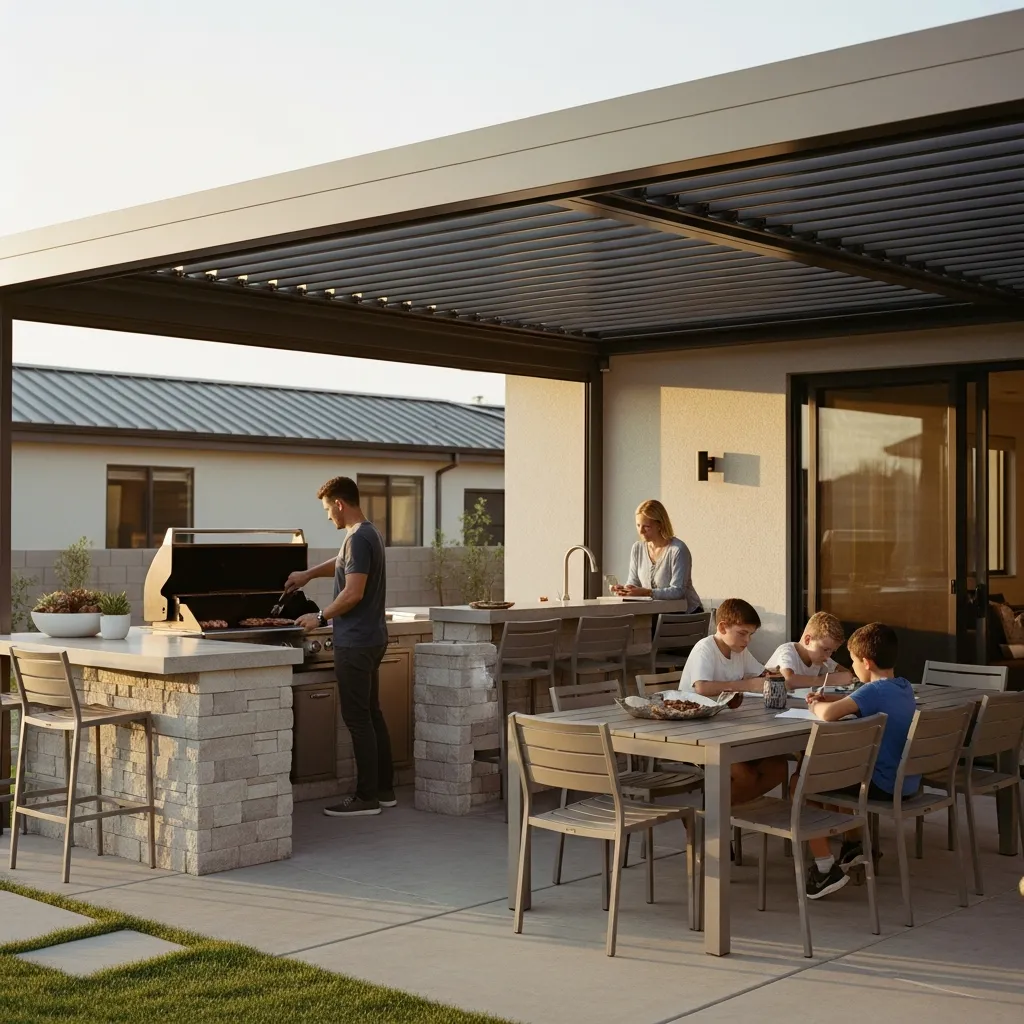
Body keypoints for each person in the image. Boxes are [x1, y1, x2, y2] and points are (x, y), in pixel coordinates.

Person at [287, 476, 394, 818]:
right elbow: (341, 563)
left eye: (326, 510)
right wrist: (307, 575)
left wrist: (320, 616)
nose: (327, 517)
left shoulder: (358, 537)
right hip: (372, 638)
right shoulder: (367, 532)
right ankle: (384, 790)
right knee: (372, 715)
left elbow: (353, 592)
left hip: (356, 642)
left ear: (339, 504)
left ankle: (366, 798)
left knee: (358, 719)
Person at [798, 621, 919, 899]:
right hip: (906, 782)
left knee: (804, 782)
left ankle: (825, 867)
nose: (851, 667)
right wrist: (831, 697)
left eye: (852, 662)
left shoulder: (872, 692)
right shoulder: (903, 686)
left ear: (866, 662)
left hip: (882, 785)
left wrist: (816, 704)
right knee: (832, 775)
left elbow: (828, 715)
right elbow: (860, 699)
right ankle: (854, 845)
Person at [680, 598, 789, 804]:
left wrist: (782, 674)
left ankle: (717, 815)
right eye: (742, 633)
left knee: (778, 768)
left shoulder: (740, 651)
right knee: (744, 775)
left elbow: (763, 674)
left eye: (750, 635)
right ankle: (707, 820)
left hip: (727, 730)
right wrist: (746, 685)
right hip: (696, 732)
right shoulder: (705, 648)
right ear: (722, 627)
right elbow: (702, 687)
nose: (747, 640)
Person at [612, 499, 701, 610]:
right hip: (656, 614)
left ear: (660, 525)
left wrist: (647, 592)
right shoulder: (637, 548)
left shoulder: (678, 550)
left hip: (686, 615)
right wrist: (625, 590)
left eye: (646, 527)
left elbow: (678, 591)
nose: (640, 531)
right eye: (638, 525)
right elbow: (634, 582)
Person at [764, 611, 854, 691]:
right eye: (826, 649)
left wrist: (845, 676)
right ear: (808, 640)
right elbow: (789, 680)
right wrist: (826, 680)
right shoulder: (787, 652)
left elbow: (846, 674)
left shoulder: (820, 658)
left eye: (832, 651)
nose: (828, 656)